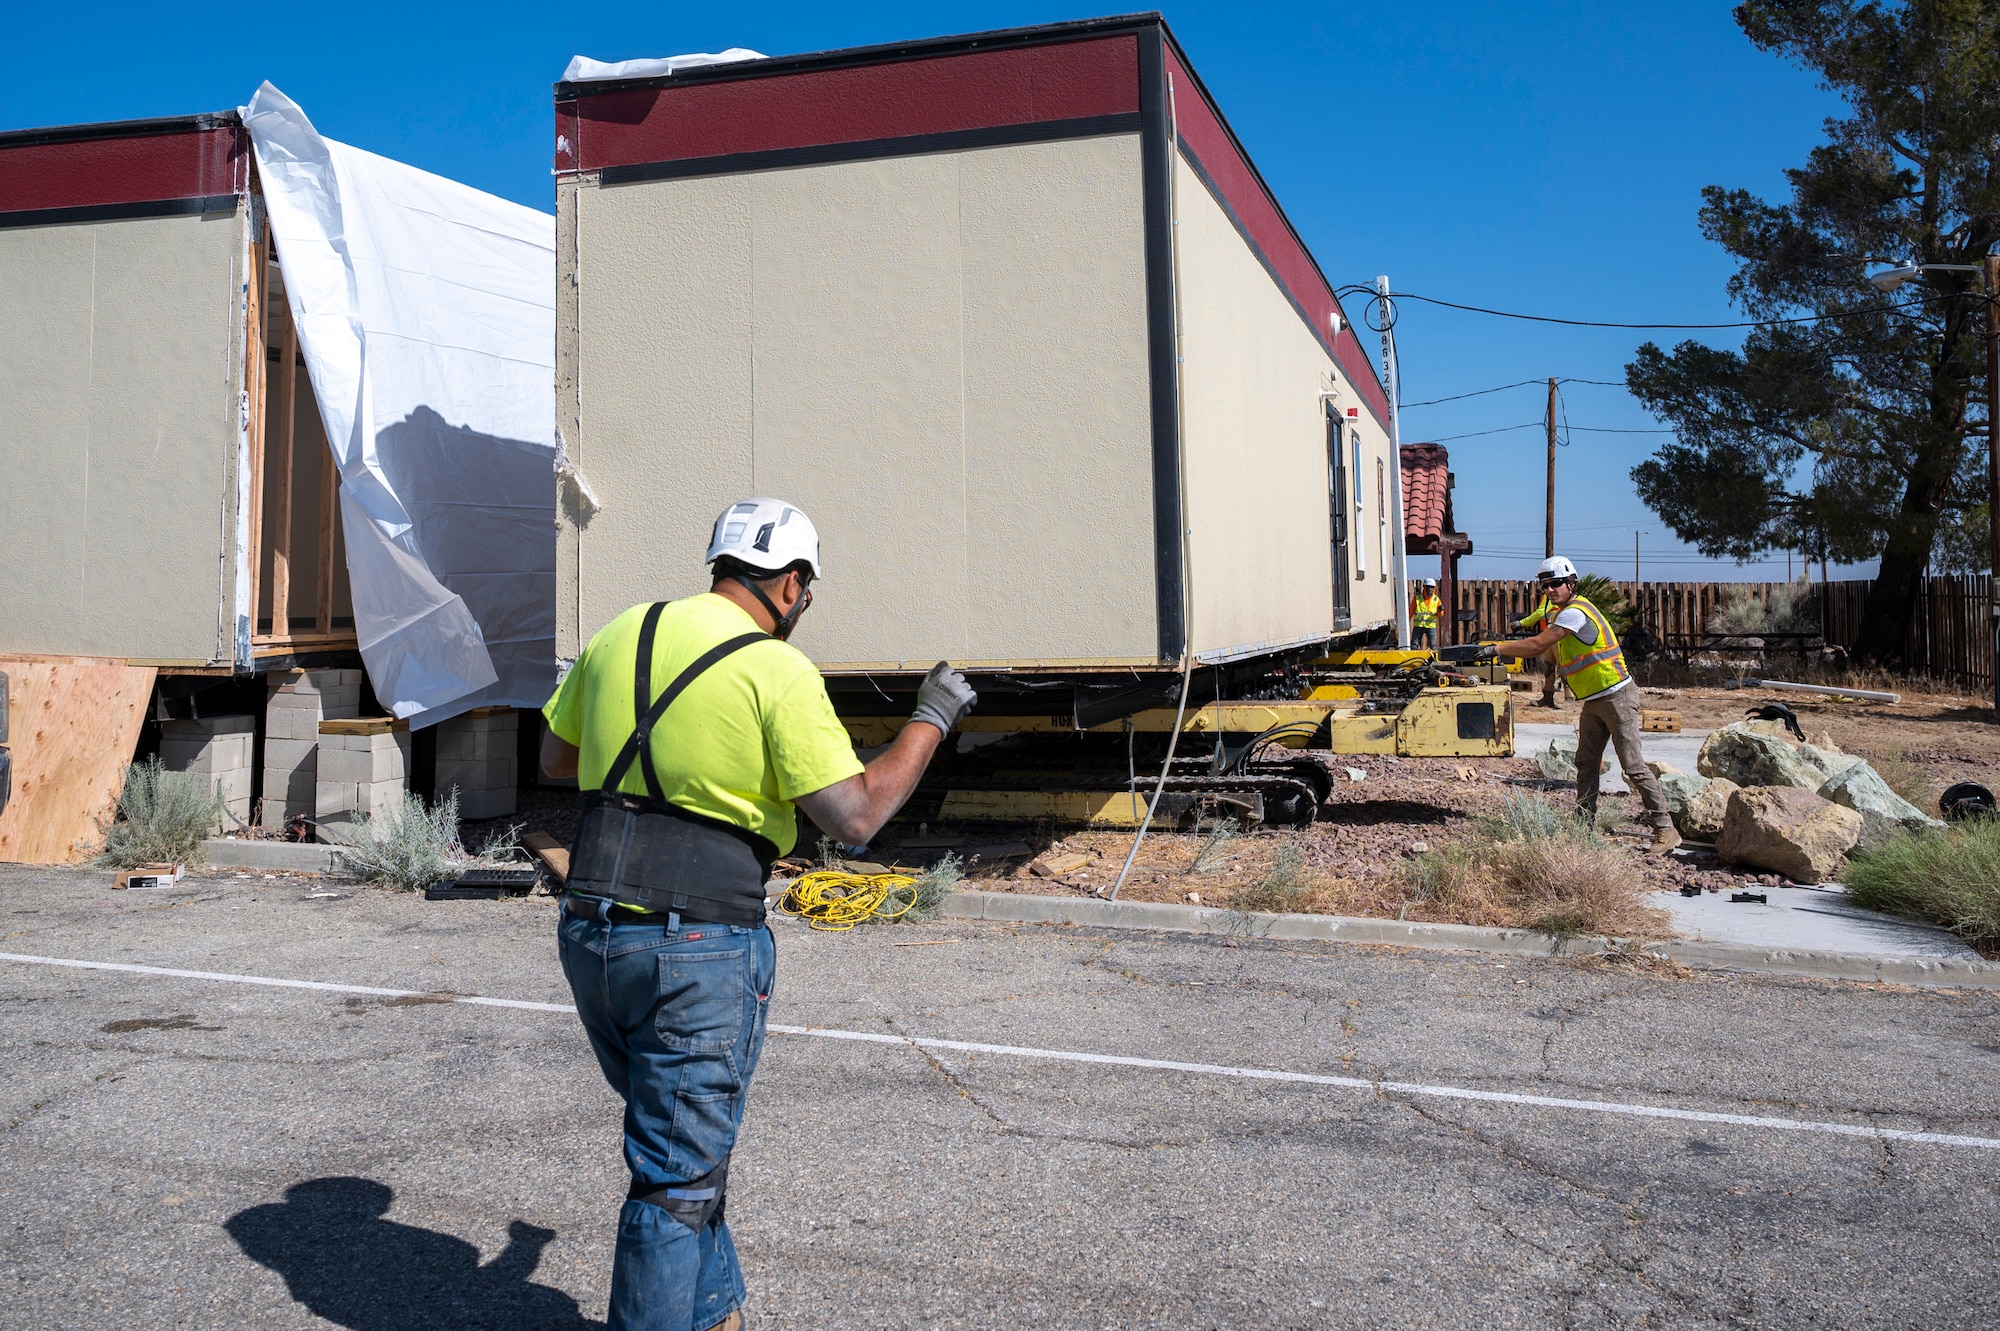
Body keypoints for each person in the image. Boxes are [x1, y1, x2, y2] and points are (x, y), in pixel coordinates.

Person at [538, 498, 976, 1331]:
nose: (803, 608)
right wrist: (931, 718)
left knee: (683, 1148)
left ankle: (714, 1316)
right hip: (695, 944)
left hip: (594, 933)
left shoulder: (624, 630)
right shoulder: (776, 671)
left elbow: (558, 756)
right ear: (788, 583)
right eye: (805, 592)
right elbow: (855, 817)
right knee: (675, 1180)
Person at [1484, 556, 1680, 854]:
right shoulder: (1561, 612)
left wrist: (1496, 649)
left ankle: (1666, 829)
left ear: (1570, 584)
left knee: (1633, 767)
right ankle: (1583, 824)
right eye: (1544, 585)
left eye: (1555, 584)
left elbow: (1538, 645)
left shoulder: (1575, 613)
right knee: (1586, 764)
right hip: (1594, 701)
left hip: (1617, 697)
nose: (1549, 590)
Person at [1411, 578, 1441, 650]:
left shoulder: (1436, 600)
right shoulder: (1417, 598)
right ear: (1424, 587)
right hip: (1418, 625)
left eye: (1431, 587)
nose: (1429, 589)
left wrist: (1440, 610)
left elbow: (1440, 614)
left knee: (1433, 646)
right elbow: (1410, 610)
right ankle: (1415, 660)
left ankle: (1433, 660)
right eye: (1427, 587)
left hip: (1431, 626)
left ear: (1434, 588)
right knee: (1415, 645)